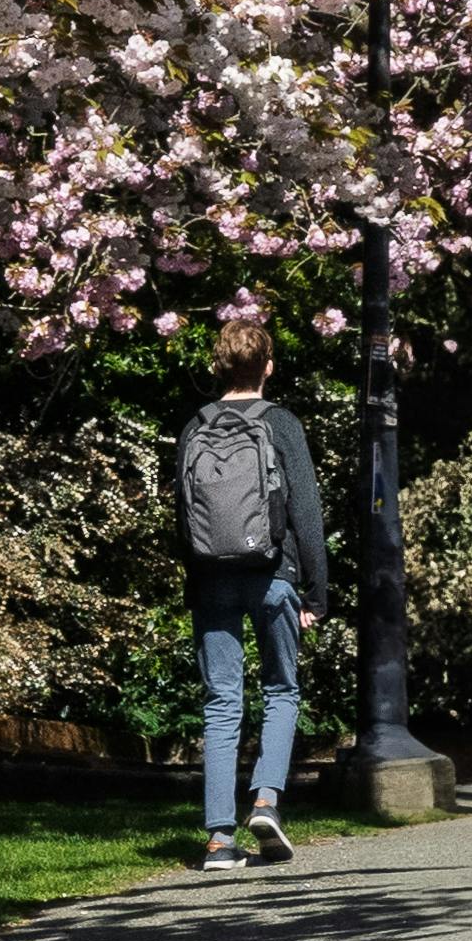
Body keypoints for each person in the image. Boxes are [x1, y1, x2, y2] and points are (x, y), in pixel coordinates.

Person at [175, 324, 329, 872]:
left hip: (211, 578)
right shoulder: (282, 423)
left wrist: (194, 579)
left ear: (220, 366)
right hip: (273, 574)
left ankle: (218, 839)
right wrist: (317, 592)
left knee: (221, 702)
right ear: (268, 366)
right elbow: (306, 514)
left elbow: (182, 515)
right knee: (282, 690)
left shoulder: (195, 425)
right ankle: (265, 801)